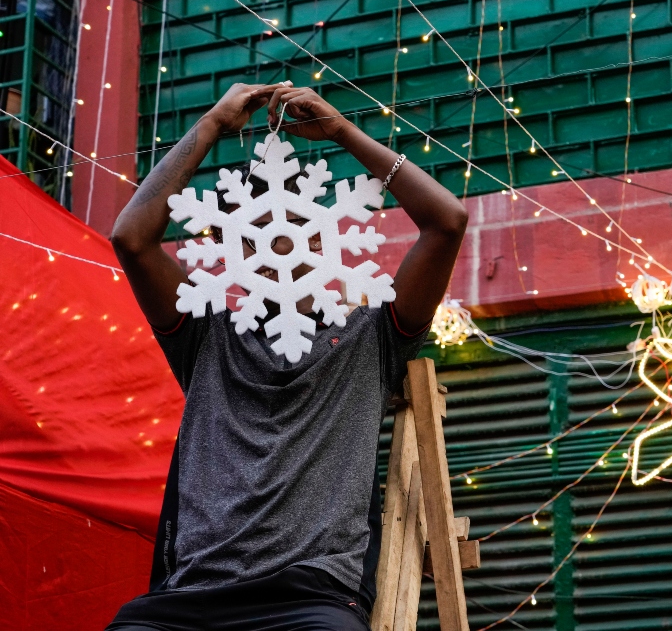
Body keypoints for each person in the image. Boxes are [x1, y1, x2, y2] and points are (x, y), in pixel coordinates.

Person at [106, 81, 468, 631]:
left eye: (299, 232)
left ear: (325, 241)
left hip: (310, 598)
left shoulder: (372, 336)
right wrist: (210, 125)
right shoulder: (206, 339)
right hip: (191, 597)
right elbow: (131, 238)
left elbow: (448, 221)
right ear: (235, 250)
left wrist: (342, 131)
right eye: (257, 237)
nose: (281, 247)